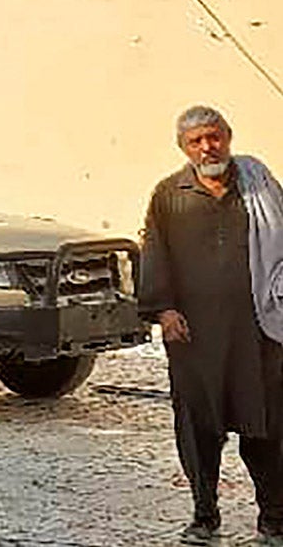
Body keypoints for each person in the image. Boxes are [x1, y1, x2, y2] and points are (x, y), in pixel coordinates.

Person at [140, 105, 283, 546]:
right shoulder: (169, 195)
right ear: (183, 148)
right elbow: (154, 255)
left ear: (229, 135)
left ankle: (274, 520)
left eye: (214, 137)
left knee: (268, 427)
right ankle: (205, 516)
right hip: (194, 336)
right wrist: (164, 311)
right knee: (199, 427)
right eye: (196, 141)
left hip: (258, 331)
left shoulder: (259, 189)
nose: (208, 147)